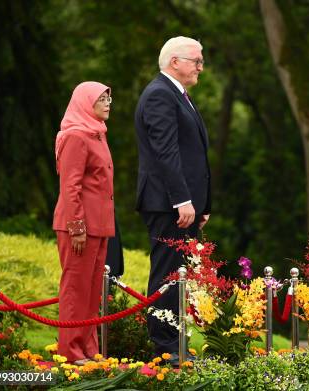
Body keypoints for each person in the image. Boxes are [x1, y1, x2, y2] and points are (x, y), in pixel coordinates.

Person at [134, 36, 211, 363]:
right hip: (168, 204)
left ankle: (175, 344)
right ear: (175, 62)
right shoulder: (159, 95)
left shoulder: (178, 95)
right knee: (168, 273)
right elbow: (166, 153)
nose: (201, 67)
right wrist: (182, 200)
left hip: (182, 205)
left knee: (179, 275)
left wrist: (202, 203)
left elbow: (195, 155)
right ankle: (165, 348)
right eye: (197, 60)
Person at [53, 82, 115, 365]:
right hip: (78, 227)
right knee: (76, 288)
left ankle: (88, 348)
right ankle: (70, 350)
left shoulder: (97, 134)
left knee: (91, 291)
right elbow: (70, 186)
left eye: (108, 98)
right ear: (84, 102)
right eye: (101, 99)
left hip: (99, 225)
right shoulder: (76, 136)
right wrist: (77, 227)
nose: (108, 103)